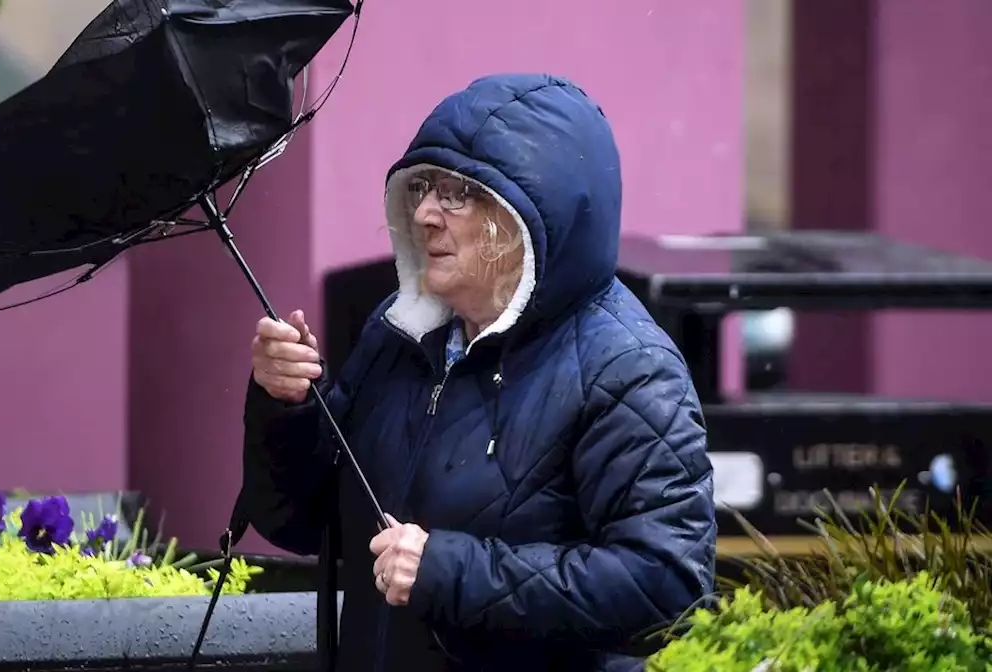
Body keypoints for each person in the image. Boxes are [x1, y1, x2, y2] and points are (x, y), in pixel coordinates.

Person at [241, 73, 716, 671]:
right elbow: (301, 522)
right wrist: (285, 406)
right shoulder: (402, 333)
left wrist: (449, 571)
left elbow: (667, 587)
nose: (426, 215)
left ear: (531, 216)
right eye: (422, 189)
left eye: (456, 194)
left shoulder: (628, 371)